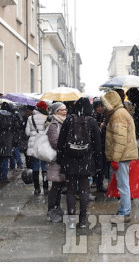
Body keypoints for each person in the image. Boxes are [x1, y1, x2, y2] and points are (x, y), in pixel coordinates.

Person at [56, 97, 102, 229]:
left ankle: (71, 219)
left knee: (70, 190)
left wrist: (60, 158)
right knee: (84, 190)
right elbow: (98, 145)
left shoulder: (69, 120)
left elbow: (61, 142)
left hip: (69, 158)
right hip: (86, 159)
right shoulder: (92, 122)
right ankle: (82, 220)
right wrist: (98, 163)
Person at [102, 90, 138, 223]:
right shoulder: (120, 113)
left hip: (122, 156)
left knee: (123, 185)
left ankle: (124, 212)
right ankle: (124, 209)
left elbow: (120, 139)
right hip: (124, 155)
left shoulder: (118, 115)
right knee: (123, 184)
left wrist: (115, 158)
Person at [46, 102, 67, 223]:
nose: (64, 112)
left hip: (61, 158)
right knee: (55, 186)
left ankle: (57, 208)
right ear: (55, 112)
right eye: (61, 110)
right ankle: (51, 210)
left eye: (65, 109)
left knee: (59, 185)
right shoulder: (54, 124)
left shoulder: (62, 123)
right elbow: (54, 142)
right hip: (56, 159)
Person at [25, 101, 50, 195]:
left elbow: (27, 132)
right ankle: (46, 187)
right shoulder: (47, 118)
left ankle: (37, 188)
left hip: (34, 145)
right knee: (44, 167)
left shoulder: (30, 118)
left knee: (35, 166)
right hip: (43, 144)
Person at [0, 102, 17, 183]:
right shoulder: (11, 117)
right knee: (5, 159)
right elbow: (15, 127)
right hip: (7, 140)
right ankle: (4, 177)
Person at [92, 98, 109, 192]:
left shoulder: (105, 116)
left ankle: (100, 183)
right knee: (97, 165)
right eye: (97, 107)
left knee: (103, 165)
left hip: (103, 144)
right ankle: (96, 181)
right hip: (96, 145)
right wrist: (99, 125)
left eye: (101, 106)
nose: (99, 108)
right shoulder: (92, 116)